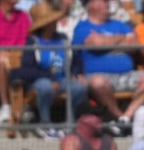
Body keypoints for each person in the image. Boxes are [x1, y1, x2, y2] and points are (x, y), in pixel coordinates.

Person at [72, 0, 144, 130]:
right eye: (104, 1)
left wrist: (106, 41)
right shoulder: (82, 27)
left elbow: (135, 45)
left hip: (126, 74)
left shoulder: (119, 24)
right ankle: (118, 116)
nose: (108, 3)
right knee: (98, 82)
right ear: (93, 5)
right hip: (97, 77)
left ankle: (126, 116)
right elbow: (96, 43)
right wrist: (122, 39)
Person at [11, 2, 87, 136]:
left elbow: (75, 58)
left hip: (62, 79)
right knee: (45, 86)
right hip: (39, 81)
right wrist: (50, 77)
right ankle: (45, 123)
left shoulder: (63, 39)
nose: (55, 23)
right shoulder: (33, 42)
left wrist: (77, 73)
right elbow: (28, 70)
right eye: (52, 21)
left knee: (79, 88)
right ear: (45, 24)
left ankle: (70, 122)